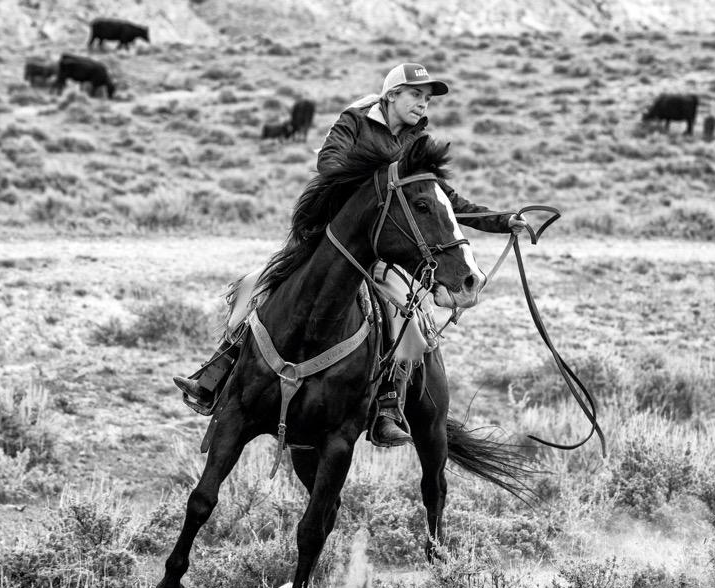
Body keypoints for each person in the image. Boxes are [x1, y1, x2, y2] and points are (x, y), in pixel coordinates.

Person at [174, 62, 528, 447]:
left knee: (406, 315)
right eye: (415, 95)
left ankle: (389, 405)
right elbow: (328, 164)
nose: (422, 105)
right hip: (326, 239)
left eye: (427, 99)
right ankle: (218, 368)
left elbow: (444, 201)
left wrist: (502, 220)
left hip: (379, 250)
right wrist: (383, 183)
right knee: (256, 285)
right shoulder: (354, 121)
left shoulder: (416, 144)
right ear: (391, 95)